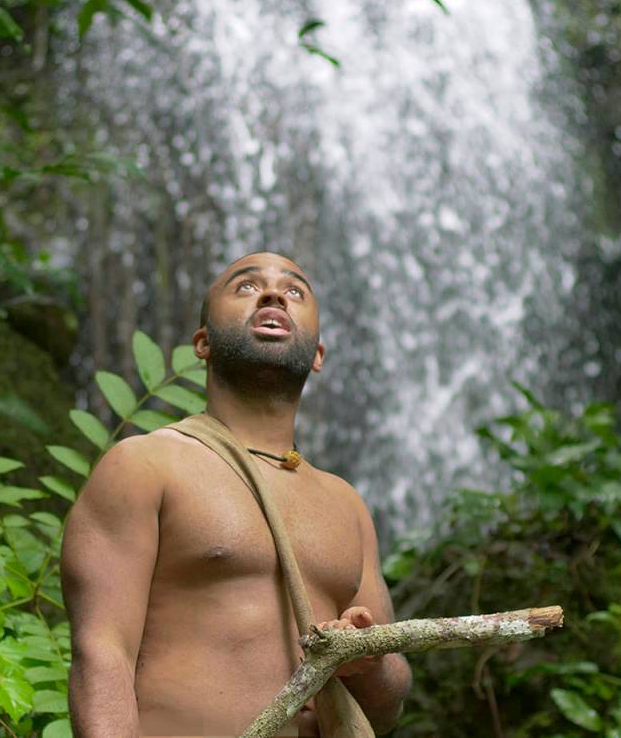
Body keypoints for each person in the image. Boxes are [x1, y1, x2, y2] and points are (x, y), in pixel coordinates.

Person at [61, 251, 412, 737]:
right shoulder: (144, 466)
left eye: (294, 291)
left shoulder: (346, 505)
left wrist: (367, 660)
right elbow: (102, 654)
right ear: (202, 344)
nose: (272, 294)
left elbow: (386, 708)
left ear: (317, 355)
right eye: (246, 286)